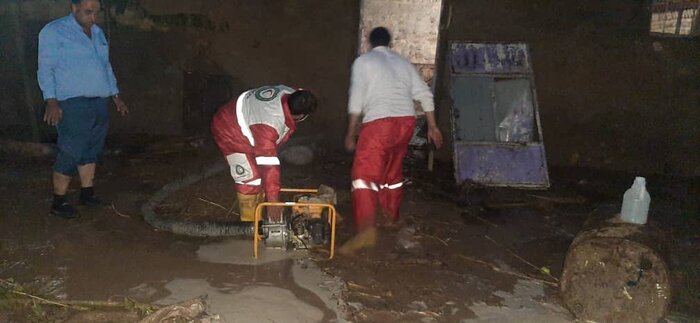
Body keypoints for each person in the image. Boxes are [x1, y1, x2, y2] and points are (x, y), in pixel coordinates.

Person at [340, 27, 443, 254]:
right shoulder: (403, 63)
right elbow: (425, 95)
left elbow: (356, 98)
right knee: (391, 173)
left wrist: (351, 131)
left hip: (380, 123)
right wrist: (433, 126)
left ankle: (366, 230)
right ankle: (389, 217)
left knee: (363, 176)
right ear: (390, 43)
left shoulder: (364, 62)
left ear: (370, 43)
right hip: (405, 123)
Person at [38, 0, 129, 219]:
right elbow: (45, 67)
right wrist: (51, 100)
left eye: (96, 13)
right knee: (71, 150)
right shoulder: (54, 31)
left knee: (91, 149)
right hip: (72, 103)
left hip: (98, 101)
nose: (93, 18)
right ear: (74, 8)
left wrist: (115, 95)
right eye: (88, 12)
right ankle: (58, 202)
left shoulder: (97, 33)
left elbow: (105, 66)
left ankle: (87, 194)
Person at [210, 85, 317, 222]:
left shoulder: (289, 93)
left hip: (243, 121)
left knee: (260, 176)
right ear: (301, 116)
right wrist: (273, 203)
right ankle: (249, 227)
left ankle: (260, 217)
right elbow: (269, 166)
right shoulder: (269, 125)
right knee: (250, 180)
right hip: (228, 130)